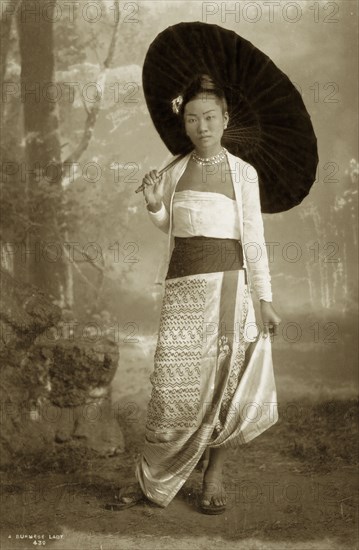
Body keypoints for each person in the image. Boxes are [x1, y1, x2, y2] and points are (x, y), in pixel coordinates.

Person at [111, 74, 282, 515]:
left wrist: (264, 299)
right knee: (171, 389)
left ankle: (213, 476)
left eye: (210, 117)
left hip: (229, 287)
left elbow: (254, 240)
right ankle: (153, 479)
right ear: (183, 124)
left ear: (226, 120)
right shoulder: (175, 169)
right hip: (182, 288)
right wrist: (154, 203)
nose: (202, 126)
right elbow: (173, 227)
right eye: (192, 118)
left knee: (224, 386)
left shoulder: (244, 174)